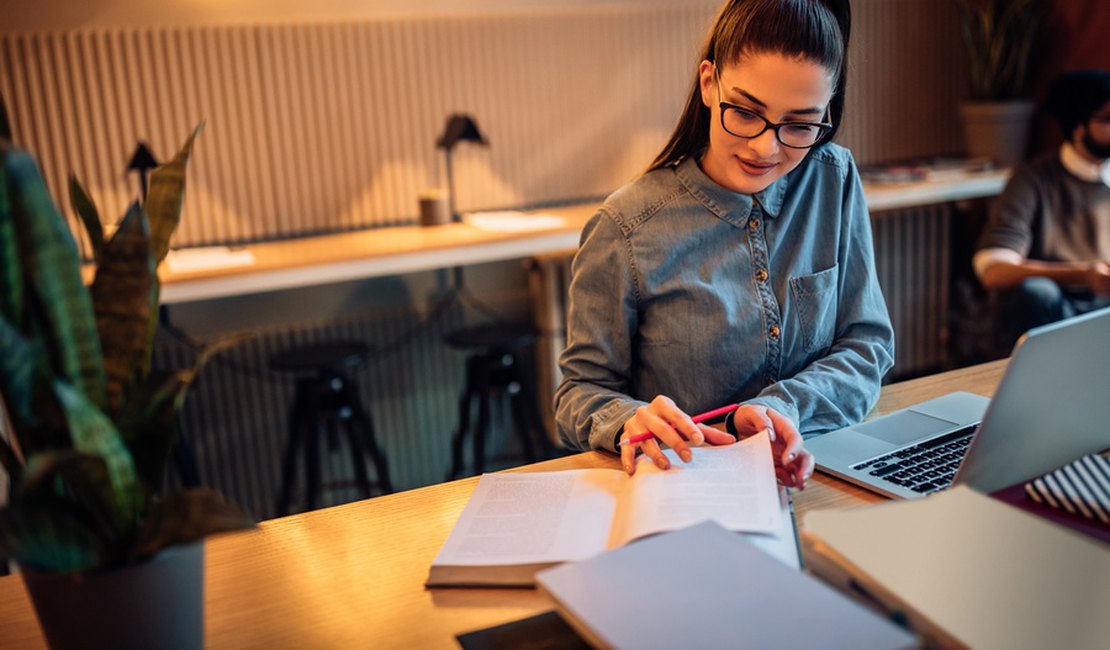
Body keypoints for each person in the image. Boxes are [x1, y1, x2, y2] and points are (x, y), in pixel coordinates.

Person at [554, 0, 894, 488]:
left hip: (823, 472)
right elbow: (578, 393)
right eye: (746, 112)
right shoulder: (625, 227)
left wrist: (780, 408)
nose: (765, 148)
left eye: (799, 125)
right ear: (710, 83)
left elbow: (868, 345)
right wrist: (628, 420)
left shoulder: (834, 178)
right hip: (683, 488)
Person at [974, 69, 1110, 347]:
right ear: (1077, 127)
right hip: (1059, 313)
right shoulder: (1033, 180)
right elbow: (994, 270)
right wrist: (1085, 274)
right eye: (1108, 120)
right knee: (1036, 292)